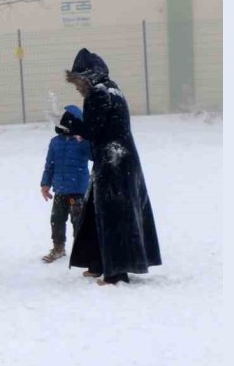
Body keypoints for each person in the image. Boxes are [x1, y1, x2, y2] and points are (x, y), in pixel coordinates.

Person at [64, 48, 161, 284]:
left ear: (88, 76)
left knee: (112, 214)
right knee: (98, 210)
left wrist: (70, 123)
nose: (77, 87)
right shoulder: (112, 89)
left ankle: (115, 272)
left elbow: (93, 130)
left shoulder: (98, 93)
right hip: (121, 159)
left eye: (78, 81)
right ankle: (97, 262)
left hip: (112, 162)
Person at [40, 105, 91, 263]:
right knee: (57, 219)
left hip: (77, 190)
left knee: (78, 220)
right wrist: (45, 184)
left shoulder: (82, 141)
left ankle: (82, 249)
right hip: (60, 190)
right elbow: (50, 165)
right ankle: (58, 247)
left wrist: (84, 140)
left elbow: (93, 155)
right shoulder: (55, 142)